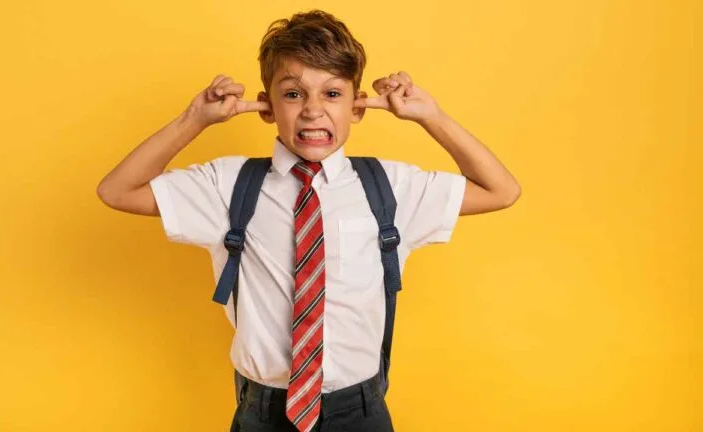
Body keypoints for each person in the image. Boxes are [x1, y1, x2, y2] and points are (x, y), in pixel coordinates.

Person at [97, 9, 521, 432]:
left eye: (333, 94)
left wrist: (432, 116)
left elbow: (500, 190)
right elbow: (117, 190)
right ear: (266, 107)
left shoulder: (390, 187)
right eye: (294, 94)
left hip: (360, 410)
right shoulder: (228, 185)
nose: (314, 111)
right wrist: (195, 120)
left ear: (358, 107)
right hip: (262, 411)